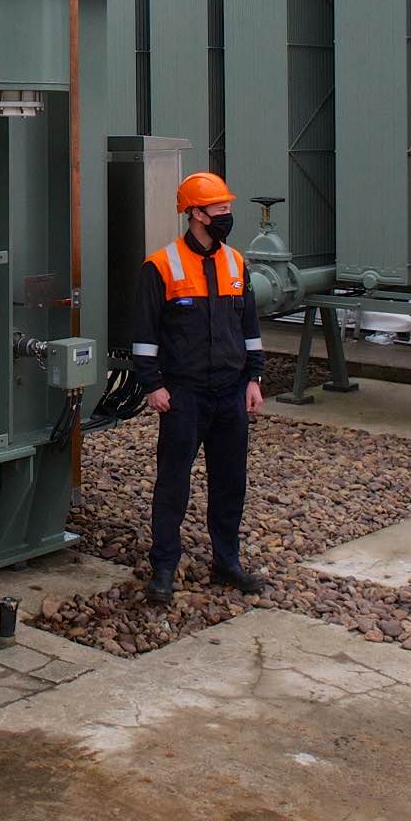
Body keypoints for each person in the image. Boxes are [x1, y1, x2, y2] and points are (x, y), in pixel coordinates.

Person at [128, 171, 266, 605]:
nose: (227, 215)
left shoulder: (236, 263)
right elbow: (144, 334)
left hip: (231, 393)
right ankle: (164, 567)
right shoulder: (160, 266)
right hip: (183, 395)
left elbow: (250, 328)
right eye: (219, 208)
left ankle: (227, 562)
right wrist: (152, 384)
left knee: (230, 482)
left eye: (227, 207)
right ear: (196, 214)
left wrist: (254, 378)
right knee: (173, 484)